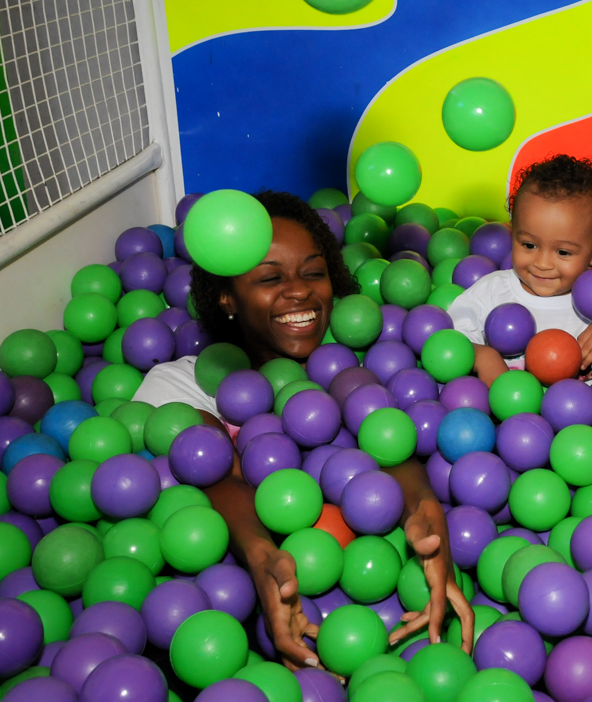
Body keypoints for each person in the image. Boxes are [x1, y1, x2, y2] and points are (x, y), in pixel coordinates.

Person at [133, 190, 474, 670]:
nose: (299, 292)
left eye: (314, 273)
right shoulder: (178, 384)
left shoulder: (357, 360)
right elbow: (215, 471)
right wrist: (260, 555)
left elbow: (387, 447)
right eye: (270, 279)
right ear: (227, 297)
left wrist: (424, 512)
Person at [448, 155, 592, 384]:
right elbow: (450, 340)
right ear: (513, 233)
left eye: (563, 252)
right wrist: (482, 355)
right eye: (529, 245)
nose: (542, 263)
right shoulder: (492, 292)